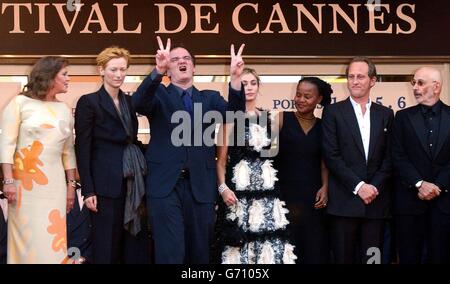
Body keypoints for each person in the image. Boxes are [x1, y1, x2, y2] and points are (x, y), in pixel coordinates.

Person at [134, 36, 246, 264]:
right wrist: (157, 70)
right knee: (170, 251)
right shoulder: (158, 96)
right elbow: (138, 103)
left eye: (186, 58)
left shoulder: (210, 98)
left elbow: (235, 114)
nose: (181, 62)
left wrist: (235, 79)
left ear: (194, 67)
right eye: (174, 60)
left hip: (201, 186)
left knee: (199, 252)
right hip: (165, 187)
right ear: (168, 69)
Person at [75, 46, 151, 264]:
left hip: (132, 182)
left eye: (123, 69)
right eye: (113, 70)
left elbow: (133, 140)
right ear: (101, 70)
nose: (119, 75)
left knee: (132, 246)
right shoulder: (88, 102)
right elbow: (83, 148)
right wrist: (88, 189)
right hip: (104, 186)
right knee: (105, 247)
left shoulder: (129, 101)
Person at [216, 67, 297, 264]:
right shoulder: (229, 120)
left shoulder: (272, 118)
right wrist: (223, 188)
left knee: (269, 249)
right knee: (240, 249)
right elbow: (220, 161)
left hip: (267, 194)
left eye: (253, 83)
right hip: (238, 195)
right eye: (244, 84)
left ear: (259, 87)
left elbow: (275, 156)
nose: (249, 88)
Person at [0, 56, 77, 264]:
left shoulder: (64, 109)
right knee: (27, 238)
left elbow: (68, 151)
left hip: (55, 187)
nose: (69, 79)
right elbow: (6, 144)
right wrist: (8, 181)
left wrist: (71, 186)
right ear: (50, 76)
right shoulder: (19, 103)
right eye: (65, 74)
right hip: (24, 186)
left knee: (54, 238)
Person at [322, 57, 394, 264]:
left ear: (372, 80)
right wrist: (359, 186)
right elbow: (331, 155)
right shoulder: (333, 112)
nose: (354, 81)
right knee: (343, 258)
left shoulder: (386, 114)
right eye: (351, 76)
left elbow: (390, 157)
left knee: (374, 259)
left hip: (376, 203)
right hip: (344, 203)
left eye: (360, 76)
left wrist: (373, 187)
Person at [392, 67, 450, 264]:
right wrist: (419, 183)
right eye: (414, 83)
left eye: (421, 83)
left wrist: (438, 185)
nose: (415, 87)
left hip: (444, 205)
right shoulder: (401, 117)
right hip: (410, 204)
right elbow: (397, 155)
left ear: (436, 87)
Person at [276, 76, 332, 264]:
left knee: (313, 248)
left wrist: (325, 187)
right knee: (287, 247)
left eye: (307, 96)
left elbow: (325, 162)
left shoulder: (324, 126)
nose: (300, 99)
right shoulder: (282, 118)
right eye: (298, 95)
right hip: (284, 195)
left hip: (313, 198)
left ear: (319, 99)